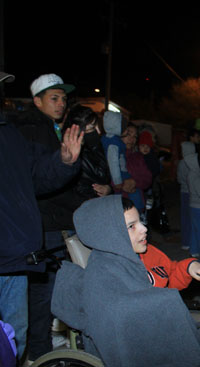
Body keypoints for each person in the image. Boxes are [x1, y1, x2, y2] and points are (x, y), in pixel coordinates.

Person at [51, 195, 200, 367]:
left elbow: (168, 274)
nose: (144, 228)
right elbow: (114, 318)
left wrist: (188, 267)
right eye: (132, 226)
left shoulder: (147, 252)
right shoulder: (104, 272)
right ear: (110, 234)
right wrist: (164, 303)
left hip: (166, 331)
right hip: (146, 345)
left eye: (140, 221)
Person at [1, 69, 82, 362]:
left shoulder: (9, 133)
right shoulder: (26, 128)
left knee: (14, 335)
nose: (61, 103)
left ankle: (38, 351)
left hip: (15, 251)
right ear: (36, 101)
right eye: (54, 97)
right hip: (35, 235)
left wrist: (64, 162)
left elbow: (36, 174)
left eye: (63, 98)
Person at [61, 104, 112, 204]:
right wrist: (96, 146)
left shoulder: (90, 146)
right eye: (92, 127)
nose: (98, 131)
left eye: (97, 125)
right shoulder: (74, 151)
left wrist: (108, 189)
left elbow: (106, 179)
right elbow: (101, 176)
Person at [181, 141, 200, 262]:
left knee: (195, 230)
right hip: (199, 207)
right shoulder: (196, 176)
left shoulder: (192, 174)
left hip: (194, 206)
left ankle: (194, 250)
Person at [120, 123, 152, 224]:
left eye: (135, 136)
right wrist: (119, 185)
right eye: (129, 134)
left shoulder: (137, 157)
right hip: (117, 207)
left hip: (135, 206)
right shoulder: (111, 155)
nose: (131, 139)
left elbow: (147, 178)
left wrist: (134, 182)